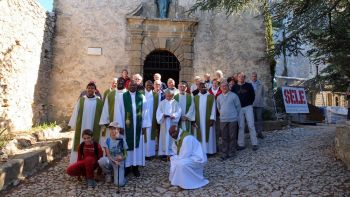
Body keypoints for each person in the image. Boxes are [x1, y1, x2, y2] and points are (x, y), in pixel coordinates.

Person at [116, 80, 151, 177]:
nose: (133, 87)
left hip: (138, 128)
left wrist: (144, 125)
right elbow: (118, 111)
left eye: (134, 85)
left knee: (138, 147)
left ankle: (135, 167)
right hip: (126, 128)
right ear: (128, 86)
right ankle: (127, 167)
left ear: (137, 86)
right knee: (127, 146)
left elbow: (145, 111)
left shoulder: (141, 96)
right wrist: (120, 126)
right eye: (131, 85)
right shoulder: (122, 97)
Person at [69, 82, 103, 163]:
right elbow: (75, 112)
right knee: (80, 142)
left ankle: (93, 162)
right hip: (82, 127)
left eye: (92, 88)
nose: (90, 89)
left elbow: (103, 115)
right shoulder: (81, 100)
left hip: (94, 128)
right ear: (86, 89)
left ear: (95, 90)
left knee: (93, 142)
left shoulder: (99, 102)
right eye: (89, 88)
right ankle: (78, 161)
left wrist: (103, 126)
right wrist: (73, 124)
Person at [168, 125, 209, 189]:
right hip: (189, 156)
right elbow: (175, 151)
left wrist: (176, 157)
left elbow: (185, 154)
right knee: (173, 160)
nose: (172, 135)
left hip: (197, 158)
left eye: (173, 133)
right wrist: (172, 155)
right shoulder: (176, 138)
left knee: (181, 164)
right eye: (171, 134)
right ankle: (177, 181)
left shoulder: (186, 138)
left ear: (177, 130)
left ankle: (188, 182)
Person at [231, 72, 258, 151]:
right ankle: (241, 144)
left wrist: (250, 104)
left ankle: (254, 143)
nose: (241, 78)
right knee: (241, 126)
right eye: (239, 77)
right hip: (239, 108)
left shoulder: (249, 85)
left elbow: (253, 96)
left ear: (244, 78)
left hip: (248, 107)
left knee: (251, 125)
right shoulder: (234, 87)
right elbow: (232, 97)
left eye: (242, 77)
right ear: (237, 78)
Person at [98, 122, 128, 187]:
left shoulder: (122, 139)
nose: (112, 130)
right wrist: (114, 161)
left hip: (119, 162)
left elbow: (126, 154)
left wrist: (121, 158)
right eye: (111, 129)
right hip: (111, 160)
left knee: (118, 184)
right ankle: (109, 173)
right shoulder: (107, 140)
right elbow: (108, 154)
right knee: (101, 161)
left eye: (114, 128)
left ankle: (122, 179)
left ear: (118, 129)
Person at [217, 82, 241, 160]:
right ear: (220, 88)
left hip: (232, 119)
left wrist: (234, 115)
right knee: (224, 137)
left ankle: (231, 152)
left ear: (228, 87)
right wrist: (223, 114)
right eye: (222, 86)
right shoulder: (219, 97)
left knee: (232, 136)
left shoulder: (234, 96)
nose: (224, 87)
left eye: (225, 86)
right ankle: (224, 153)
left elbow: (238, 107)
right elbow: (218, 107)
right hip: (223, 120)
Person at [99, 77, 127, 142]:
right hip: (112, 122)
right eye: (118, 82)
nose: (120, 83)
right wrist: (105, 121)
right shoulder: (111, 94)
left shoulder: (128, 94)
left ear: (125, 84)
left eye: (122, 82)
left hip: (125, 124)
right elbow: (106, 108)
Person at [156, 89, 182, 156]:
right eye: (167, 96)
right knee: (164, 137)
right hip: (164, 123)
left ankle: (172, 153)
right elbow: (158, 112)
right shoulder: (162, 103)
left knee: (172, 138)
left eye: (170, 96)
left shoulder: (176, 103)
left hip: (172, 123)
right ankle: (163, 153)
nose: (169, 98)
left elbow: (179, 111)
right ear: (165, 95)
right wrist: (162, 115)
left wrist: (174, 115)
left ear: (173, 96)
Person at [193, 82, 217, 154]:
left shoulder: (211, 97)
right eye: (201, 87)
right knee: (199, 135)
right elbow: (193, 109)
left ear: (206, 88)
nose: (202, 88)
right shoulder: (195, 97)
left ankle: (209, 151)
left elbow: (213, 108)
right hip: (198, 120)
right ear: (199, 88)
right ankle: (200, 151)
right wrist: (193, 120)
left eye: (204, 87)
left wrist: (212, 118)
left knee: (209, 134)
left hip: (208, 120)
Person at [144, 80, 158, 158]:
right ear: (145, 85)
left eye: (150, 85)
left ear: (152, 86)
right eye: (147, 85)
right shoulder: (141, 94)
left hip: (152, 117)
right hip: (143, 118)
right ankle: (143, 153)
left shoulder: (155, 95)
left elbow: (158, 106)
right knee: (144, 136)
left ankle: (150, 154)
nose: (149, 86)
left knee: (150, 136)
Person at [208, 78, 222, 152]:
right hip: (210, 114)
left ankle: (216, 146)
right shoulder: (208, 92)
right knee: (211, 131)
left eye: (216, 83)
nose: (214, 84)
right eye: (213, 83)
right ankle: (211, 146)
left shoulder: (221, 91)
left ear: (218, 84)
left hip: (218, 114)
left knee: (217, 130)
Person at [251, 72, 265, 139]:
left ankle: (259, 132)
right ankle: (253, 133)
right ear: (251, 77)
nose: (254, 77)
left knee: (259, 119)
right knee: (252, 119)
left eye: (255, 76)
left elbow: (263, 93)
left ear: (256, 77)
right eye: (253, 76)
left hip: (259, 104)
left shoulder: (261, 85)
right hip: (251, 104)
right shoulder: (249, 85)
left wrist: (260, 99)